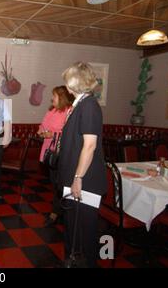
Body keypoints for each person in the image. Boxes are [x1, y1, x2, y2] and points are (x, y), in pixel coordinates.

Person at [58, 62, 107, 268]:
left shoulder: (89, 106)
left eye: (68, 82)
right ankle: (72, 260)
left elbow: (90, 146)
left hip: (85, 180)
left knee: (86, 231)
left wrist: (77, 179)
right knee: (73, 227)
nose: (66, 87)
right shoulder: (80, 104)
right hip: (74, 177)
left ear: (76, 83)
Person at [38, 86, 74, 227]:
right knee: (55, 184)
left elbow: (69, 134)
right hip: (50, 154)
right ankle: (60, 211)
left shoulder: (70, 112)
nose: (52, 98)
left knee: (62, 185)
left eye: (54, 95)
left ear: (62, 97)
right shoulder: (51, 111)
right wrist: (41, 132)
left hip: (63, 154)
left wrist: (53, 135)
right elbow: (42, 126)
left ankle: (56, 213)